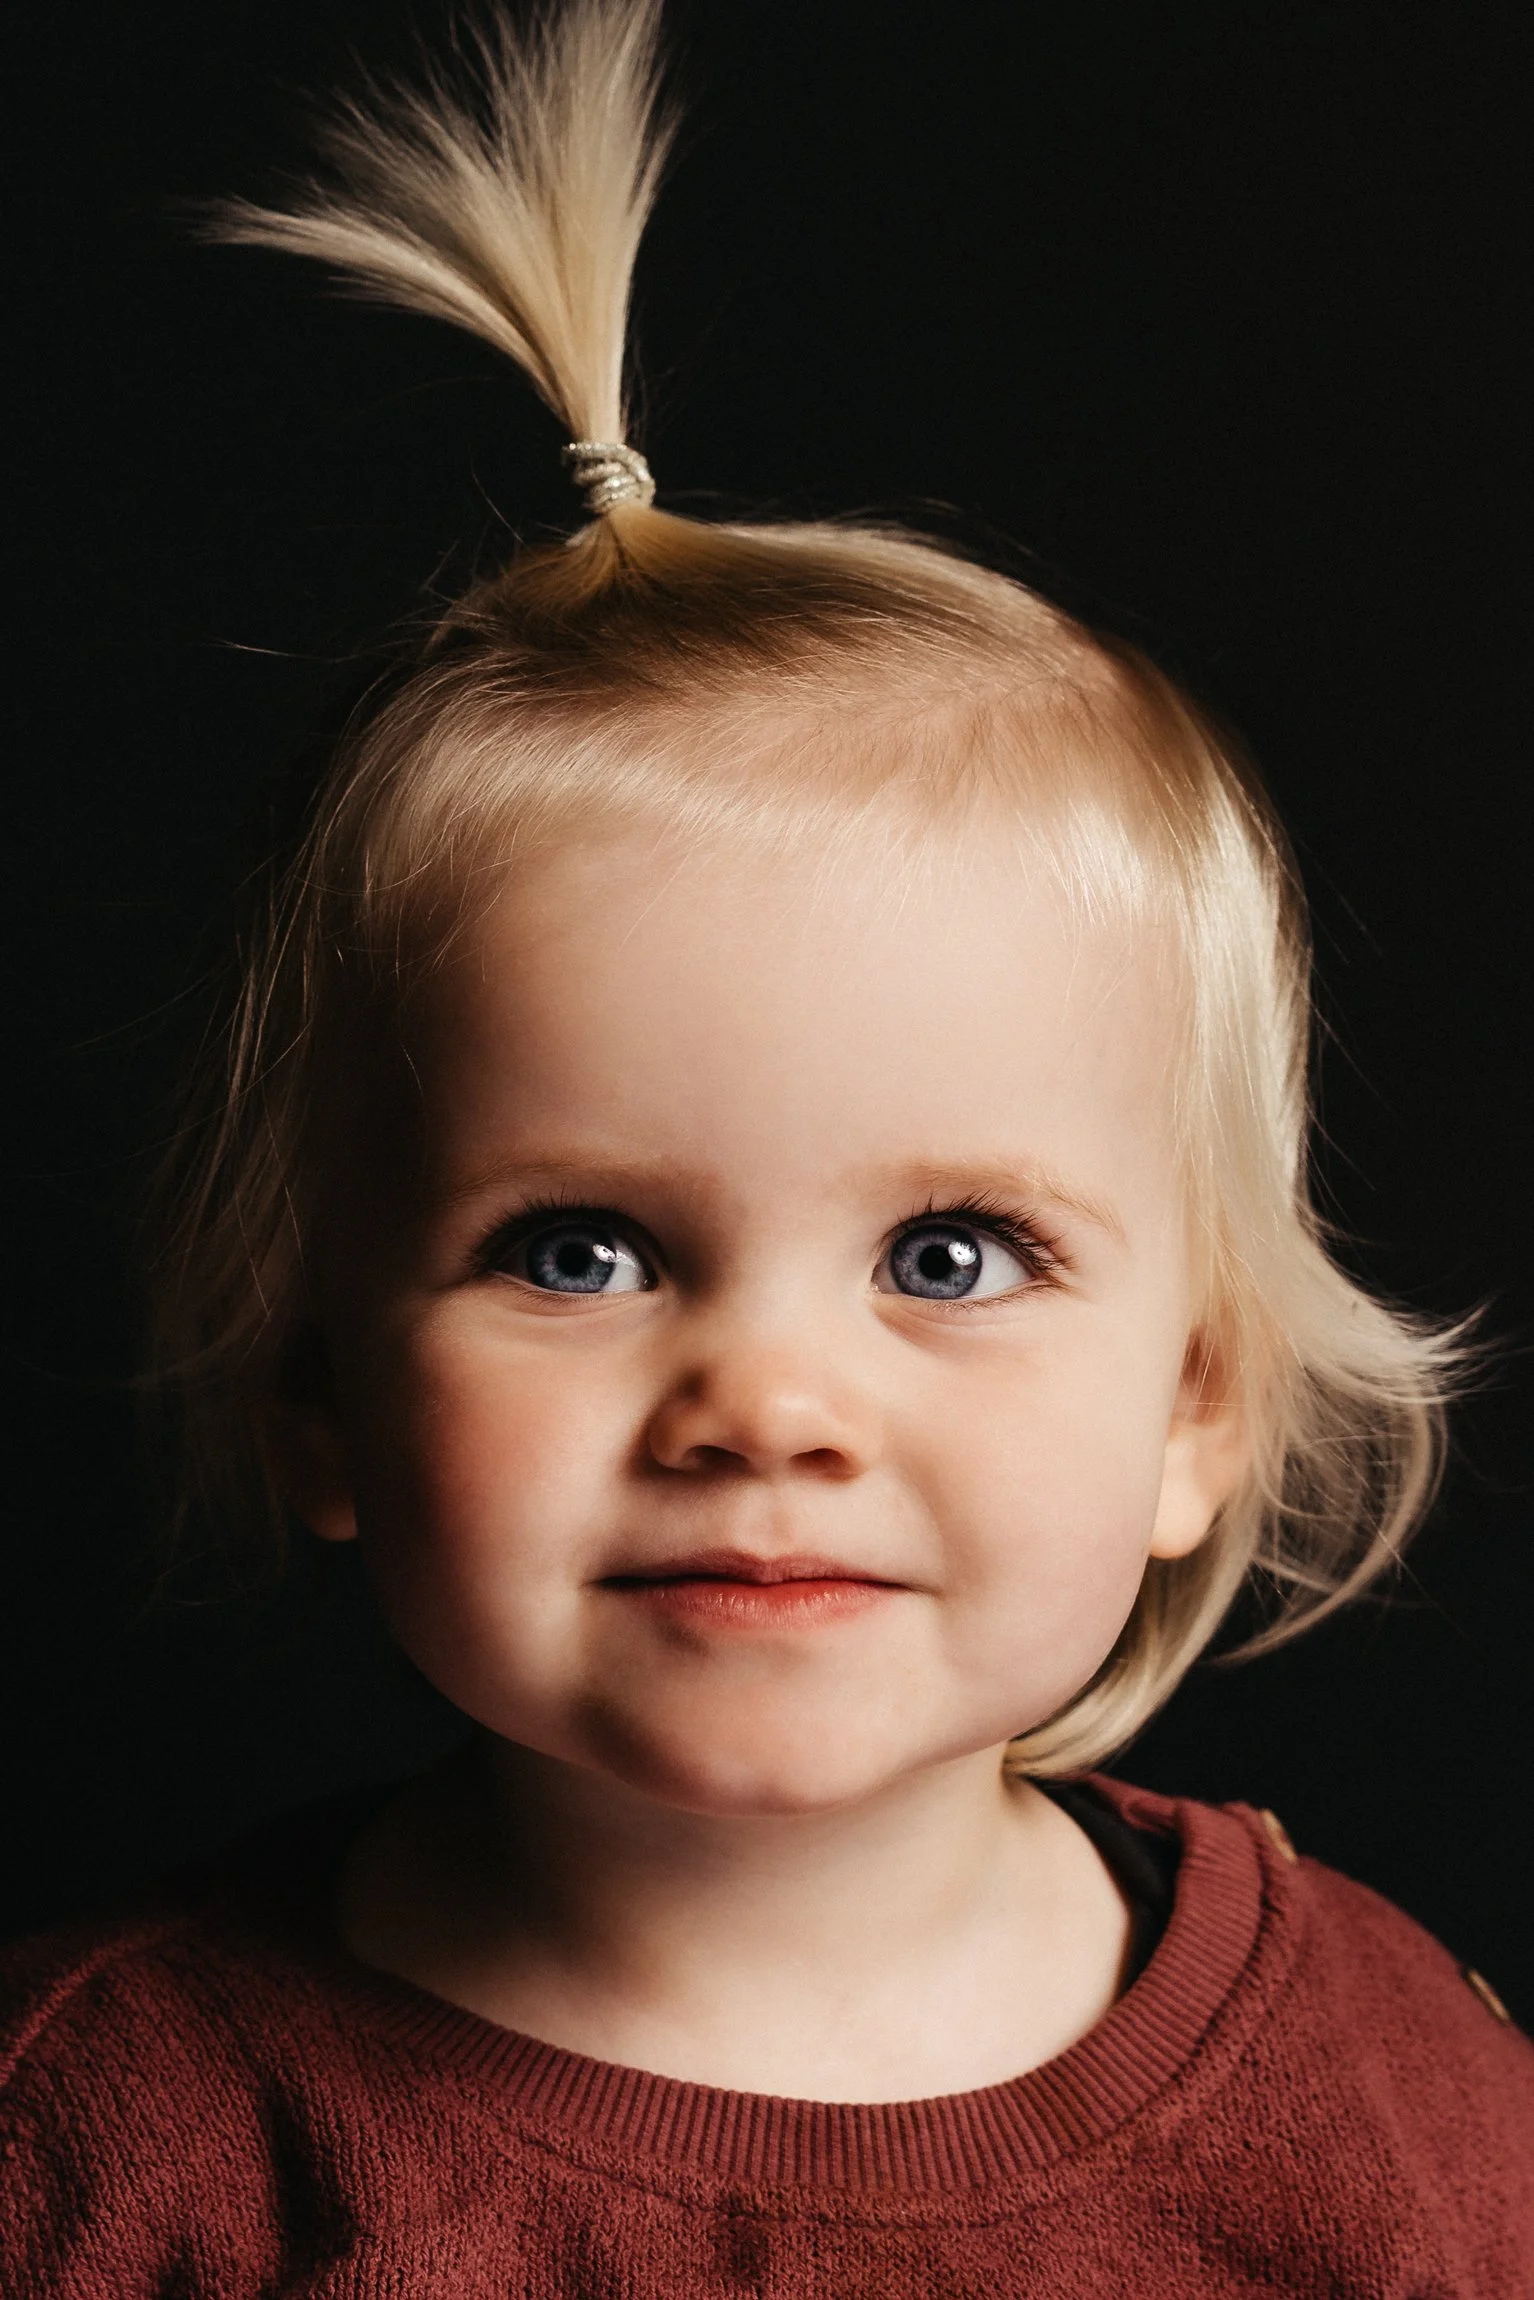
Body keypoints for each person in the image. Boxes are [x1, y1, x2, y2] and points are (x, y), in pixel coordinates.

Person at [3, 1, 1529, 2290]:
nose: (769, 1413)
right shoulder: (108, 2152)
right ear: (316, 1376)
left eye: (947, 1254)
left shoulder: (1393, 2090)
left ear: (1195, 1402)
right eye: (583, 1250)